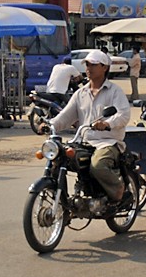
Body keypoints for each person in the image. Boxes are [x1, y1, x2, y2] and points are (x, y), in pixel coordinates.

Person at [48, 50, 132, 208]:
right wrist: (51, 124)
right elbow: (66, 116)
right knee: (58, 158)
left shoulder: (115, 91)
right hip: (84, 142)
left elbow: (124, 115)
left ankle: (118, 189)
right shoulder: (80, 93)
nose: (89, 68)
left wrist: (107, 124)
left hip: (108, 142)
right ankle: (64, 200)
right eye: (87, 64)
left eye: (93, 64)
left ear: (104, 67)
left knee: (98, 164)